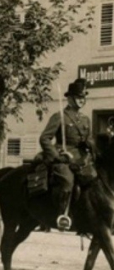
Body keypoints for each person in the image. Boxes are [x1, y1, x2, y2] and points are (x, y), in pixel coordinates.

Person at [40, 78, 94, 231]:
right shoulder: (60, 116)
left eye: (83, 98)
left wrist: (90, 146)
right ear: (70, 99)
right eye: (78, 97)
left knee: (94, 180)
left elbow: (88, 139)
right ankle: (63, 215)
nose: (81, 100)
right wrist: (57, 156)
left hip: (81, 158)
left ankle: (87, 216)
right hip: (63, 157)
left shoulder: (85, 119)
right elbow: (44, 138)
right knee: (68, 182)